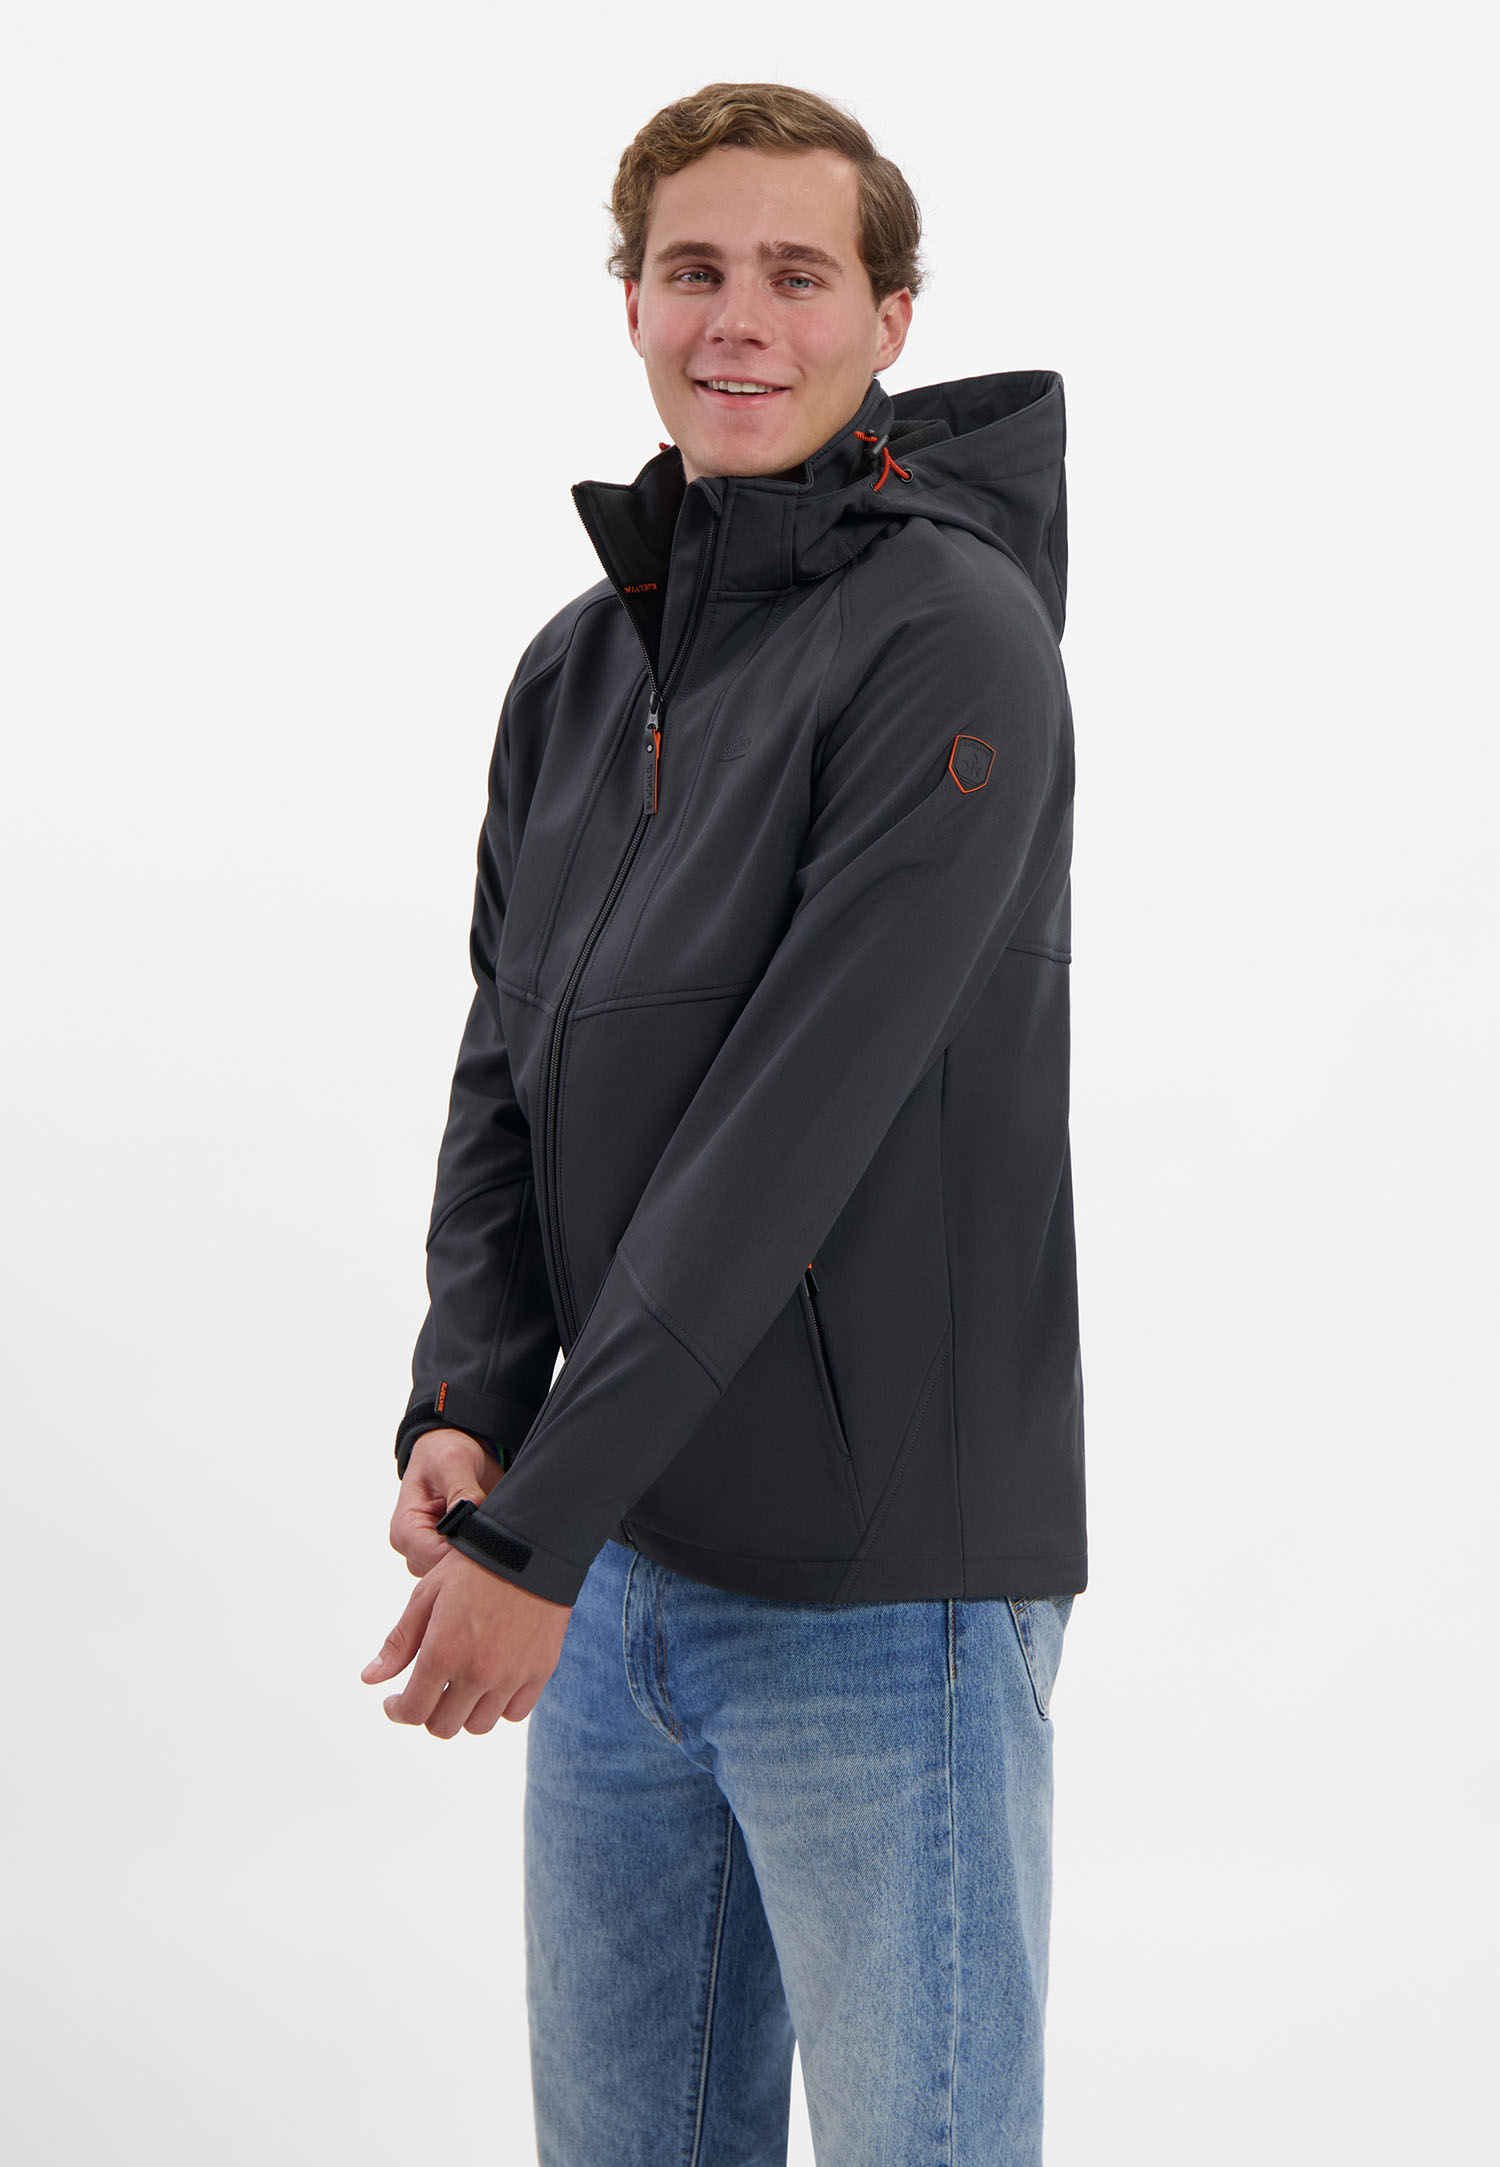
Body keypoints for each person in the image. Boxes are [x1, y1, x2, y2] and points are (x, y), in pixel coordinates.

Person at [361, 80, 1087, 2166]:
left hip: (880, 1595)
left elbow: (791, 1130)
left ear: (891, 319)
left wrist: (534, 1530)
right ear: (632, 305)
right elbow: (507, 1063)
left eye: (797, 275)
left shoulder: (953, 640)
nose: (739, 321)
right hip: (614, 1566)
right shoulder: (579, 667)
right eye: (693, 271)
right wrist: (468, 1405)